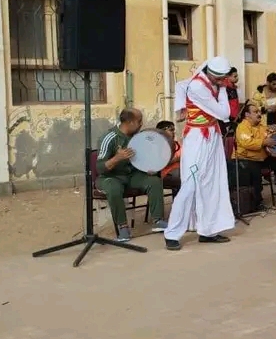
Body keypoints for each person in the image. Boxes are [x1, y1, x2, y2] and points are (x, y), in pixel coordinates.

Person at [163, 56, 235, 251]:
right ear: (212, 75)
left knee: (213, 182)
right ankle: (172, 233)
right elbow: (224, 114)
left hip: (213, 136)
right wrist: (222, 89)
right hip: (197, 139)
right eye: (220, 79)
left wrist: (180, 106)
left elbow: (180, 85)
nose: (222, 82)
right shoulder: (198, 87)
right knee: (190, 185)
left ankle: (208, 230)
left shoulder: (207, 74)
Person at [96, 108, 167, 241]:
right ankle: (123, 227)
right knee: (113, 188)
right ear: (130, 122)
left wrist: (150, 168)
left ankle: (158, 220)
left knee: (154, 181)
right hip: (111, 177)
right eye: (139, 121)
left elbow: (145, 159)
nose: (141, 124)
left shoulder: (139, 138)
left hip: (132, 175)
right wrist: (117, 158)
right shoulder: (109, 137)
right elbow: (100, 168)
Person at [230, 102, 276, 213]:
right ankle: (257, 201)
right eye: (255, 112)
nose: (259, 114)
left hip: (260, 158)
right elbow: (247, 142)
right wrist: (264, 142)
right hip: (244, 159)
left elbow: (271, 137)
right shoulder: (242, 127)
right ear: (247, 115)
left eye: (259, 112)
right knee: (254, 171)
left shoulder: (262, 127)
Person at [156, 120, 182, 191]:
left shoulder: (177, 144)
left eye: (174, 130)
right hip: (166, 175)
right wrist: (176, 159)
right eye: (171, 130)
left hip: (180, 172)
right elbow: (158, 164)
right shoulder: (157, 146)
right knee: (181, 178)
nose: (174, 132)